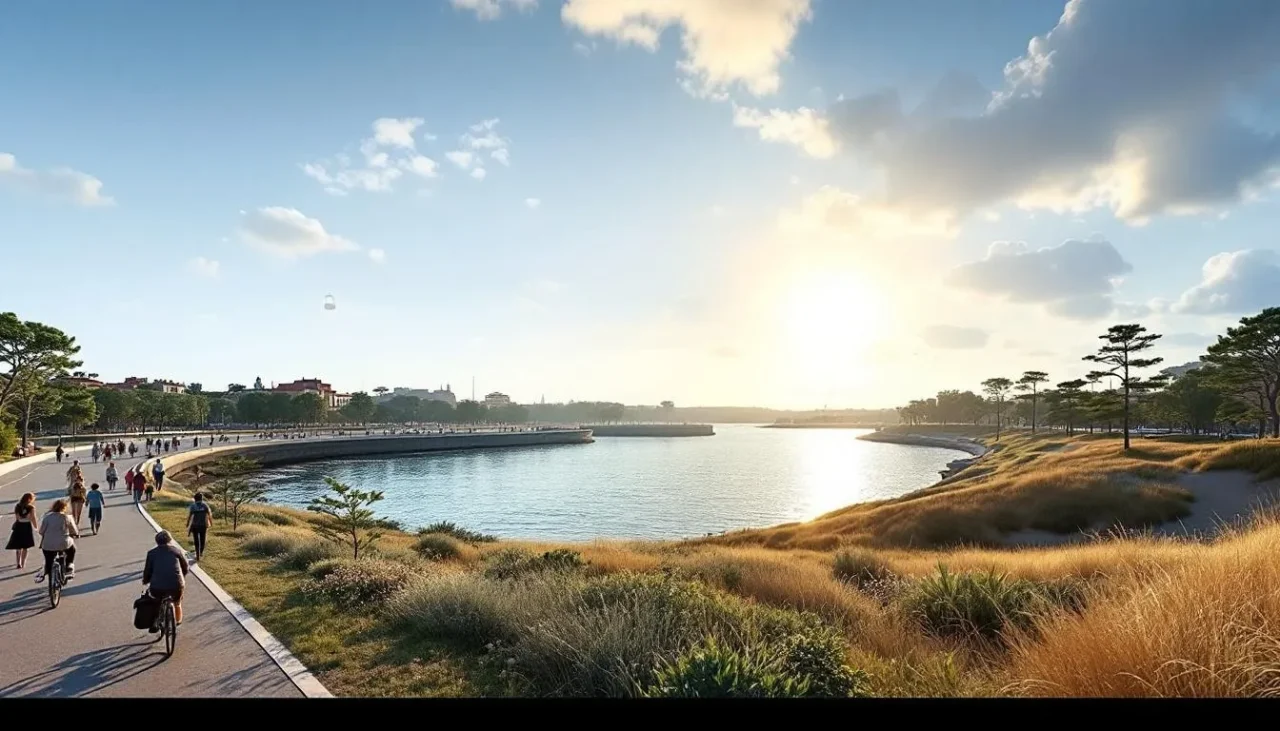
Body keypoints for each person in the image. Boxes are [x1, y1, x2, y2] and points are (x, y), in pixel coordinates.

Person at [142, 531, 189, 625]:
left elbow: (148, 571)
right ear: (170, 540)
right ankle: (178, 621)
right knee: (177, 602)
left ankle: (156, 621)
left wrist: (145, 581)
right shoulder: (176, 551)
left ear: (157, 541)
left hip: (157, 587)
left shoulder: (151, 553)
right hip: (176, 585)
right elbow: (185, 567)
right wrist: (182, 577)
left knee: (156, 602)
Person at [36, 499, 78, 583]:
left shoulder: (47, 517)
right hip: (64, 543)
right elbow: (74, 531)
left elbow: (41, 531)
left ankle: (45, 570)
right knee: (72, 549)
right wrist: (75, 534)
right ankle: (69, 565)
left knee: (49, 559)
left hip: (48, 544)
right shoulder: (67, 517)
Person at [7, 493, 37, 569]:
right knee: (25, 546)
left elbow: (17, 517)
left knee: (18, 545)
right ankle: (23, 563)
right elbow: (33, 518)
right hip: (26, 526)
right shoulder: (31, 507)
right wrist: (36, 527)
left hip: (19, 525)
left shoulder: (17, 506)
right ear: (29, 499)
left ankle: (18, 562)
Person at [187, 493, 213, 561]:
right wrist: (211, 522)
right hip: (203, 525)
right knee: (202, 539)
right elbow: (209, 515)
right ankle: (201, 552)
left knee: (196, 540)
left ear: (195, 499)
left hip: (195, 525)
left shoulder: (193, 506)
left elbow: (190, 516)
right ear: (202, 498)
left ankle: (197, 554)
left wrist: (187, 523)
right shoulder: (205, 505)